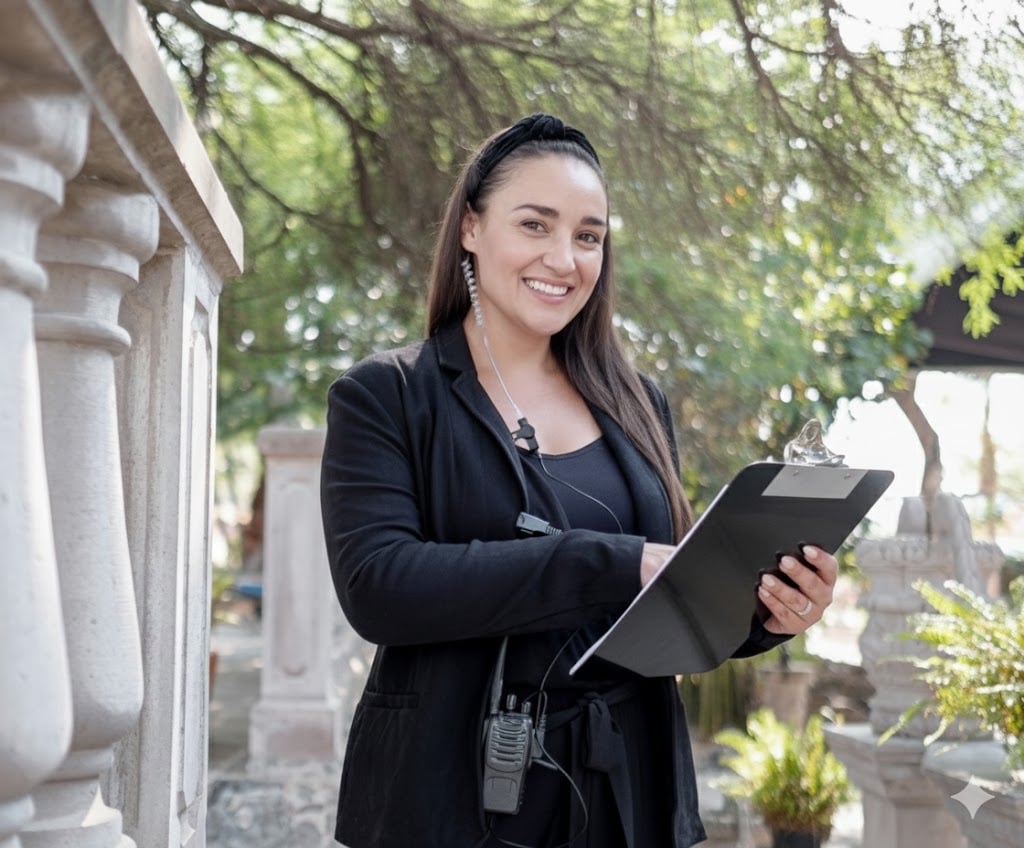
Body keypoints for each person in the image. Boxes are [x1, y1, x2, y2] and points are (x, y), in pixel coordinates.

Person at [320, 113, 837, 848]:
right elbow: (379, 586)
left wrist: (767, 612)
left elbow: (672, 594)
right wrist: (609, 561)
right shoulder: (389, 394)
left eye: (588, 236)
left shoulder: (637, 401)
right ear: (471, 227)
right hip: (450, 802)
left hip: (630, 796)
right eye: (535, 225)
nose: (565, 258)